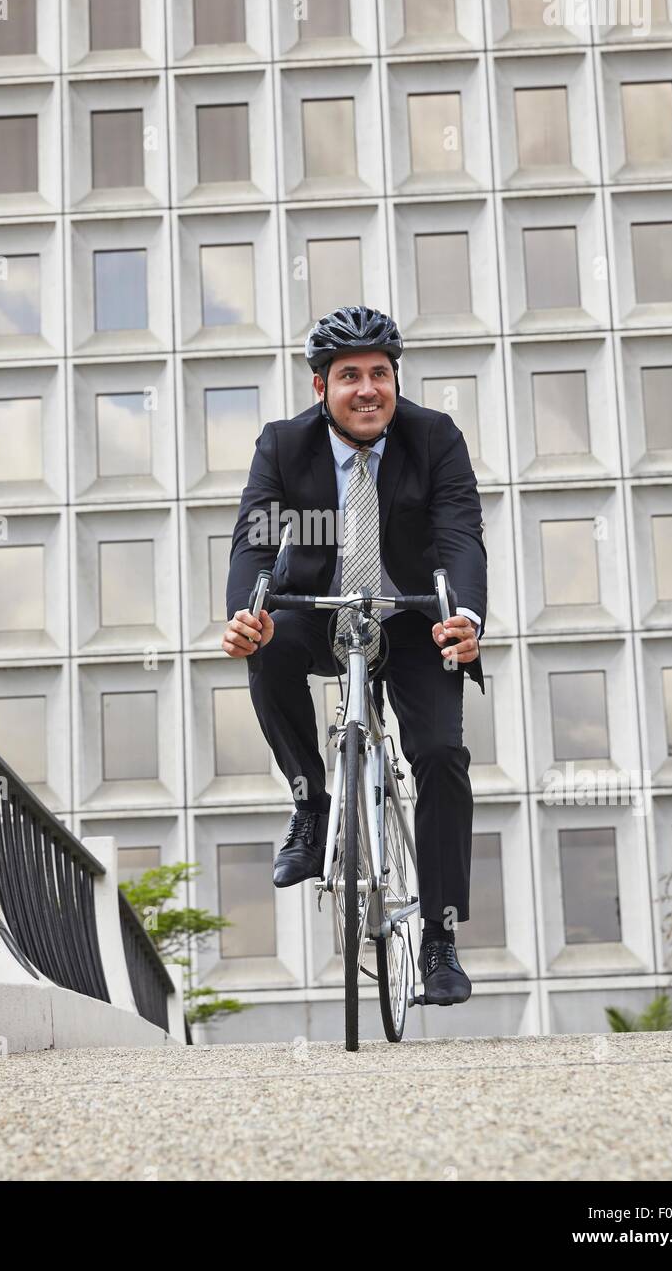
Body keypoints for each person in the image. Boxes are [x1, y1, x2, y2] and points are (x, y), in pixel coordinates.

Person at [222, 306, 487, 1005]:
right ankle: (312, 802)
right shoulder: (284, 446)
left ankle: (440, 940)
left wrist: (464, 615)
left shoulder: (435, 439)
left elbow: (461, 533)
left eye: (380, 374)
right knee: (269, 647)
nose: (368, 389)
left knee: (440, 756)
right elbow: (254, 540)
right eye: (350, 377)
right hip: (318, 608)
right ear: (321, 388)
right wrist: (243, 616)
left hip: (413, 624)